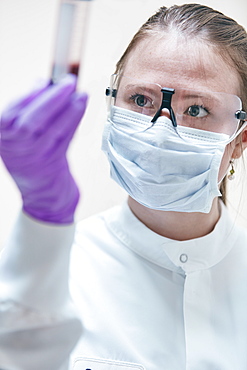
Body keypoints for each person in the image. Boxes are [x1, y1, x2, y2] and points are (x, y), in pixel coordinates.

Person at [1, 3, 247, 369]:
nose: (162, 131)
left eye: (196, 110)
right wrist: (43, 220)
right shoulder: (53, 270)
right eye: (141, 99)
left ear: (240, 140)